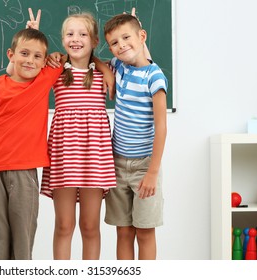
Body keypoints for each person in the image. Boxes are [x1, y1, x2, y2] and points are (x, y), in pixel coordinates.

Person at [0, 9, 66, 260]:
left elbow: (71, 54)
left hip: (25, 173)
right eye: (24, 54)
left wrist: (53, 53)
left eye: (38, 57)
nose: (30, 61)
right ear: (10, 55)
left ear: (45, 61)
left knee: (23, 235)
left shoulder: (43, 79)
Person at [40, 12, 116, 260]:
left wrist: (103, 64)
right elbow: (22, 66)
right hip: (64, 156)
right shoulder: (56, 70)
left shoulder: (104, 72)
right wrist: (36, 37)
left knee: (90, 227)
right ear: (62, 40)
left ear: (94, 41)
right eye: (70, 34)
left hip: (94, 156)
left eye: (83, 34)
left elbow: (137, 58)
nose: (76, 39)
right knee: (64, 226)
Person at [103, 12, 168, 260]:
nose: (121, 46)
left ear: (142, 36)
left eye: (126, 38)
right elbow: (97, 61)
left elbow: (161, 127)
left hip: (144, 167)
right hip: (117, 164)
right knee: (123, 231)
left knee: (144, 232)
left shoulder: (155, 77)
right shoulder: (119, 65)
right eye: (114, 42)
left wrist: (152, 172)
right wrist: (107, 72)